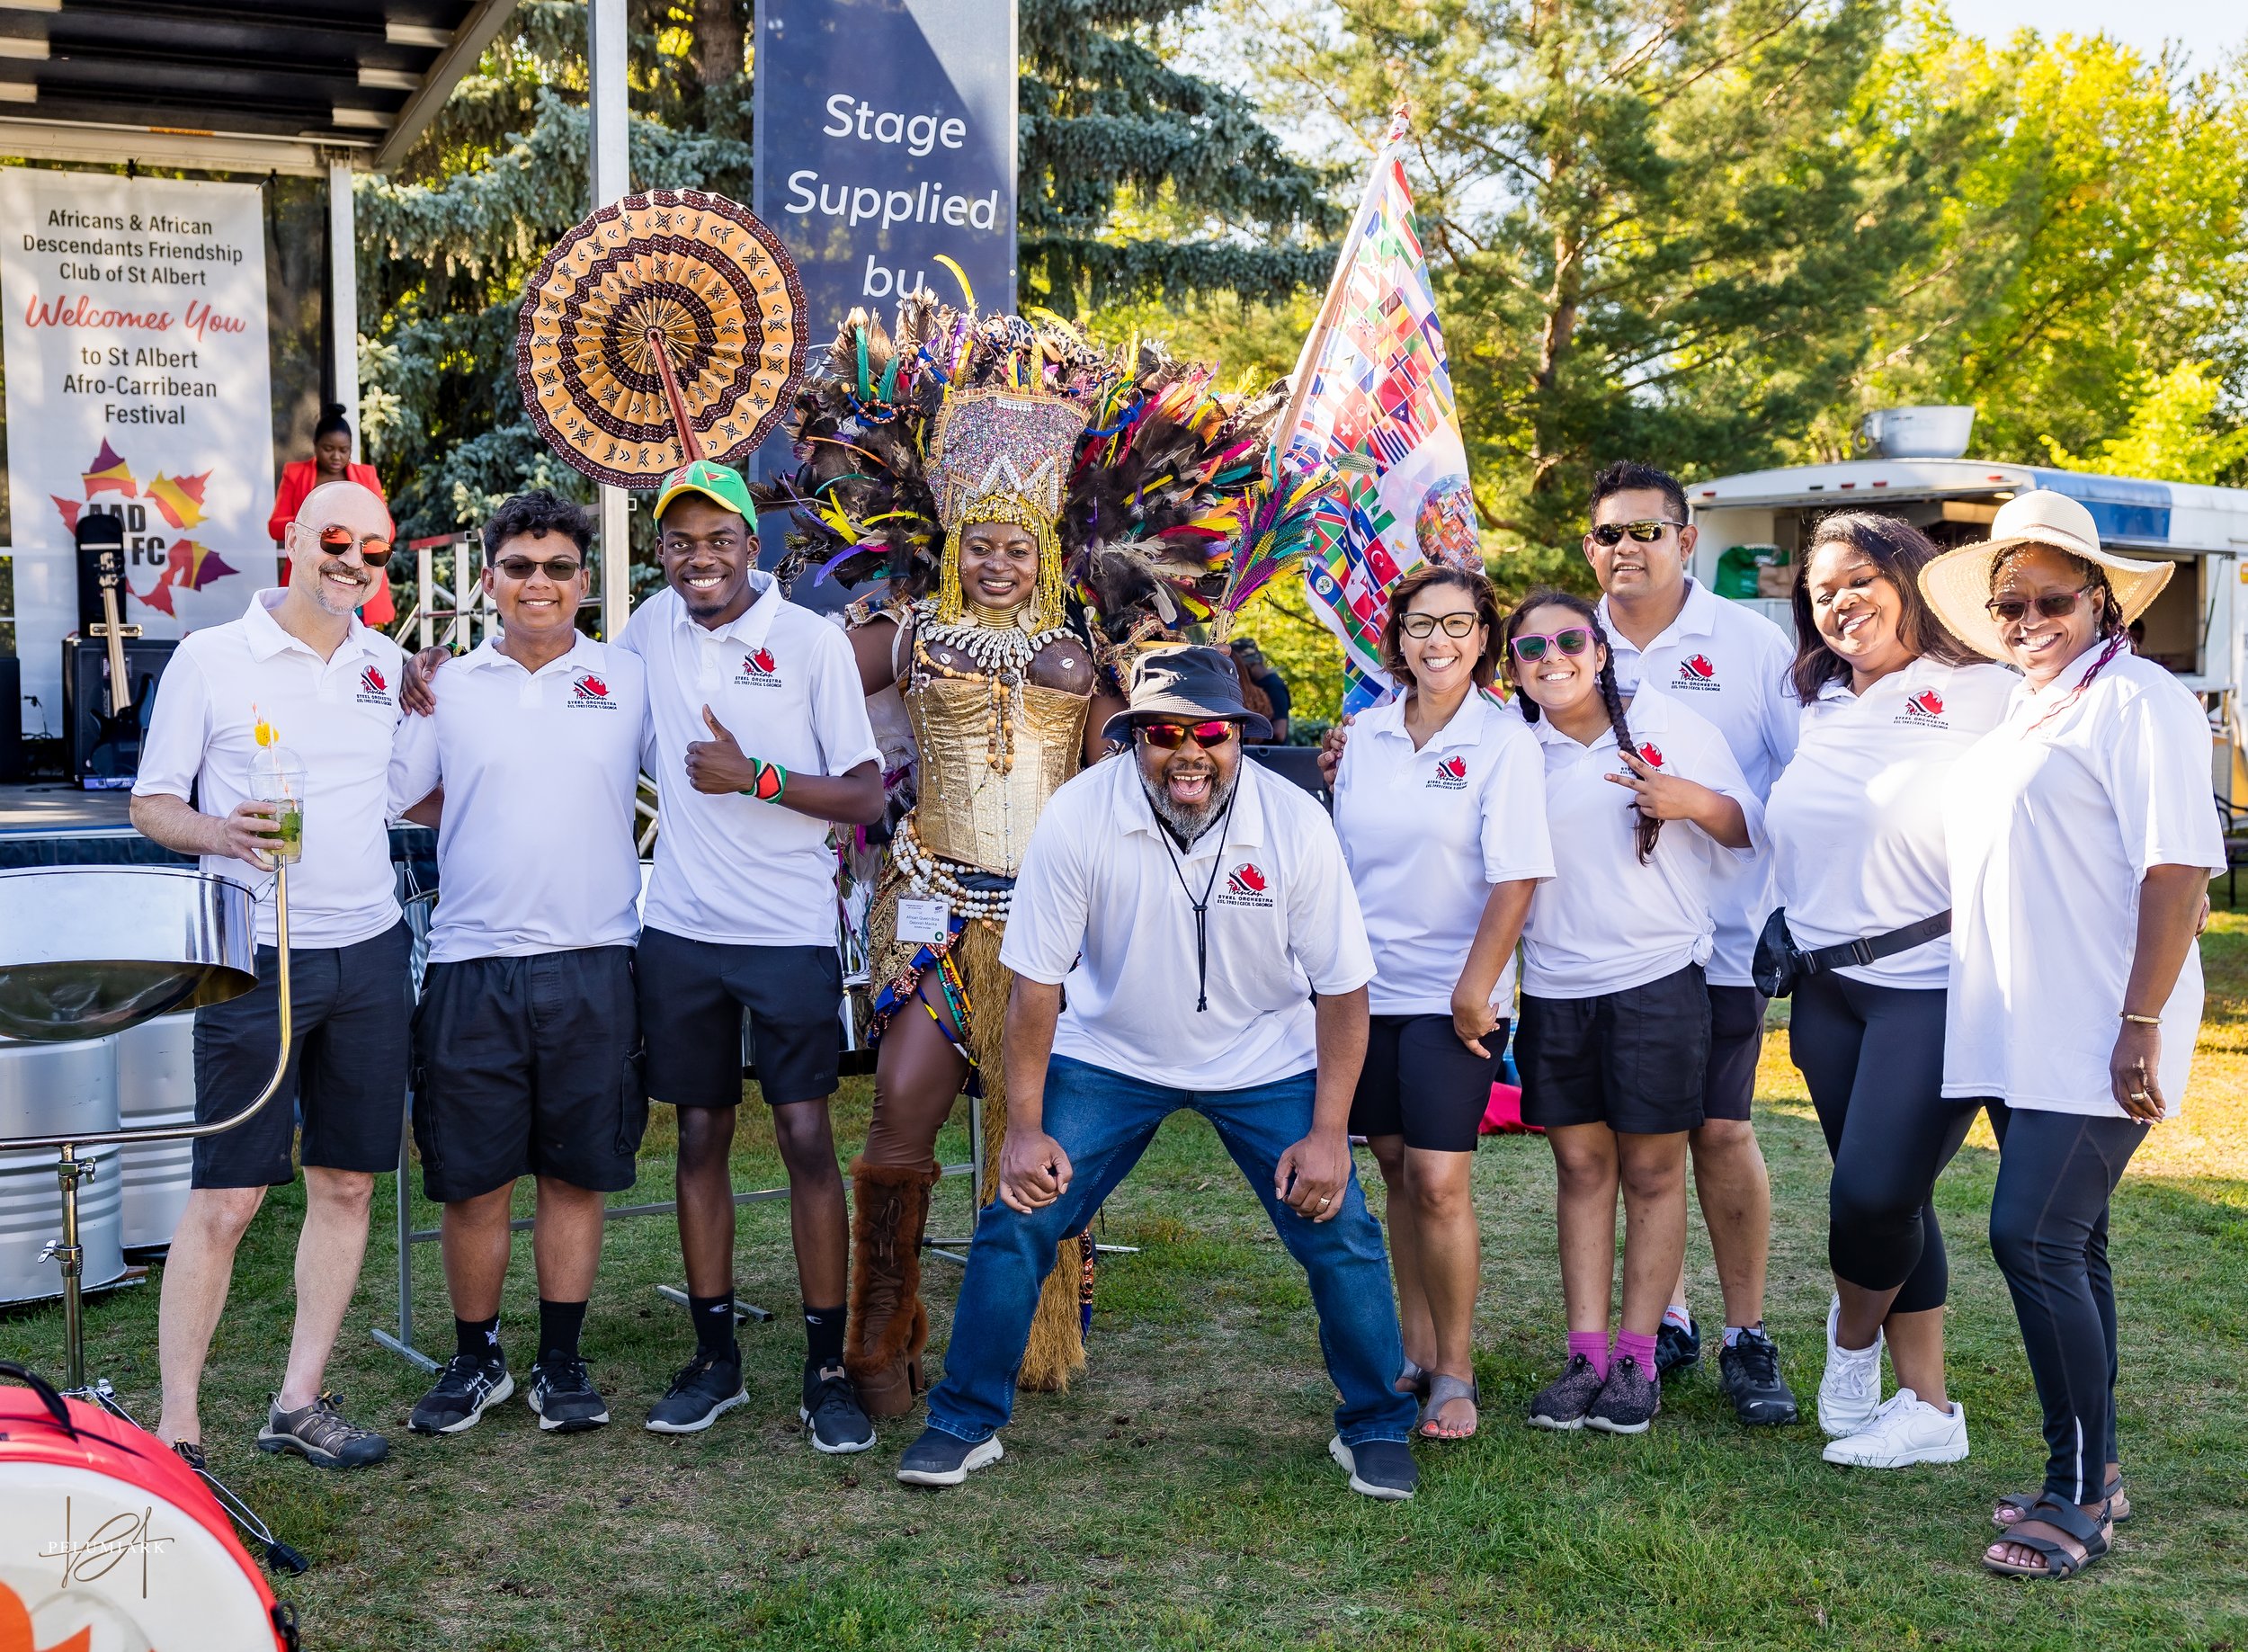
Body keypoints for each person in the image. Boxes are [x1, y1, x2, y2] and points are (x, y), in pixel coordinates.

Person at [769, 304, 1262, 1415]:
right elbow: (786, 671)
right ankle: (877, 1346)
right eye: (977, 545)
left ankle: (1036, 1326)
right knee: (901, 1117)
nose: (996, 563)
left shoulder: (1081, 658)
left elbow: (1130, 777)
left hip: (1049, 927)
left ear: (1045, 554)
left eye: (1015, 547)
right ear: (951, 550)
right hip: (935, 911)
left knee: (1050, 1134)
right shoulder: (905, 638)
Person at [893, 646, 1422, 1499]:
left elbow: (1343, 990)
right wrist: (1023, 1129)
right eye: (1165, 733)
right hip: (1111, 1053)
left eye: (1209, 733)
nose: (1189, 752)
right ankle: (962, 1418)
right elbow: (1036, 986)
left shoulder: (1294, 823)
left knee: (1340, 1227)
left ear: (1239, 737)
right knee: (1018, 1213)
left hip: (1264, 1055)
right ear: (1133, 738)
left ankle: (1374, 1425)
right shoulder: (1079, 815)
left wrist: (1330, 1134)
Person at [1918, 490, 2223, 1580]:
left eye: (2053, 598)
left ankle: (2080, 1490)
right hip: (2022, 1020)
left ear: (2099, 600)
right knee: (2072, 1239)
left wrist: (2139, 1020)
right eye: (2011, 602)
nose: (2030, 618)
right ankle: (2096, 1467)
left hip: (2102, 1019)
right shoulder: (2024, 704)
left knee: (2031, 1236)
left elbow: (2176, 868)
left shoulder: (2137, 698)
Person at [129, 479, 408, 1471]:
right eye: (338, 540)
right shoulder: (212, 656)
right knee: (229, 1195)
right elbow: (151, 804)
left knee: (346, 1180)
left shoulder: (386, 664)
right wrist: (219, 831)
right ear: (294, 538)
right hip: (254, 952)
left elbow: (408, 789)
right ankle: (177, 1426)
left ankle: (298, 1401)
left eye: (375, 551)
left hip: (371, 950)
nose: (355, 563)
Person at [388, 491, 647, 1438]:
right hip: (471, 961)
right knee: (473, 1178)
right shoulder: (446, 684)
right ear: (489, 578)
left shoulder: (627, 677)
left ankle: (561, 1362)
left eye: (556, 568)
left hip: (594, 958)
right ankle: (476, 1359)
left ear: (584, 580)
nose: (537, 583)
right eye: (519, 567)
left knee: (575, 1176)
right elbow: (406, 797)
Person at [1762, 513, 2016, 1469]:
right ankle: (1928, 1410)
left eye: (1862, 579)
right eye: (1823, 589)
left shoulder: (1981, 689)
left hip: (1933, 983)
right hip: (1826, 992)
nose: (1841, 601)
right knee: (1892, 1198)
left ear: (1913, 581)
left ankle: (1852, 1336)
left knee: (1870, 1194)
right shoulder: (1813, 702)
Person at [1503, 590, 1762, 1436]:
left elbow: (1745, 827)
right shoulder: (1512, 745)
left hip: (1657, 978)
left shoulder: (1672, 721)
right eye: (1530, 646)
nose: (1553, 657)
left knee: (1653, 1172)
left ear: (1601, 650)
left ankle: (1638, 1357)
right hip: (1554, 984)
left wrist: (1687, 798)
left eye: (1570, 639)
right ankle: (1583, 1354)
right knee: (1580, 1170)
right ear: (1513, 665)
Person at [1584, 460, 1798, 1424]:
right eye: (1605, 535)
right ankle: (1660, 1321)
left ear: (1684, 540)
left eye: (1644, 531)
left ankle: (1745, 1335)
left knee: (1717, 1130)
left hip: (1718, 939)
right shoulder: (1563, 644)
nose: (1624, 549)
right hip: (1602, 941)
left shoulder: (1753, 646)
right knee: (1637, 1138)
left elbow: (1801, 788)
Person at [1329, 564, 1550, 1441]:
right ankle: (1414, 1347)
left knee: (1437, 1179)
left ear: (1483, 637)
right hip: (1363, 991)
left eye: (1458, 625)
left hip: (1454, 999)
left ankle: (1454, 1370)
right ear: (1397, 637)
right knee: (1389, 1167)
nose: (1438, 642)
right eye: (1422, 624)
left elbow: (1517, 874)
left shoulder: (1503, 741)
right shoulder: (1366, 733)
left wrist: (1473, 989)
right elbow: (1344, 866)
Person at [270, 404, 391, 626]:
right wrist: (318, 525)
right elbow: (275, 525)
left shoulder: (366, 475)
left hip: (357, 575)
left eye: (344, 450)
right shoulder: (296, 473)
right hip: (316, 570)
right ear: (315, 446)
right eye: (328, 448)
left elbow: (387, 527)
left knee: (360, 640)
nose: (336, 456)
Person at [1229, 638, 1293, 743]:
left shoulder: (1274, 687)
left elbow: (1279, 732)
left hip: (1269, 755)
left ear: (1248, 664)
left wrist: (1249, 733)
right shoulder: (1254, 684)